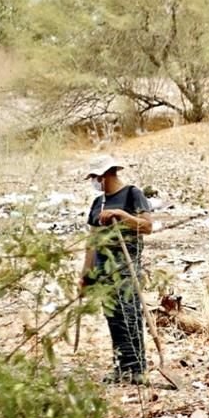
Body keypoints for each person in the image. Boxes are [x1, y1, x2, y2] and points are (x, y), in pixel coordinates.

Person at [80, 156, 153, 384]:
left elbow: (147, 226)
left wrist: (122, 216)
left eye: (95, 177)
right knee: (112, 316)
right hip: (103, 266)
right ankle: (121, 367)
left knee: (129, 314)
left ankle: (138, 368)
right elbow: (92, 241)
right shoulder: (97, 203)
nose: (94, 181)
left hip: (126, 264)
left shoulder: (132, 194)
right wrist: (86, 275)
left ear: (105, 175)